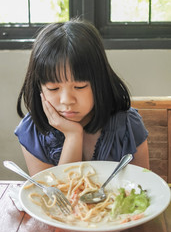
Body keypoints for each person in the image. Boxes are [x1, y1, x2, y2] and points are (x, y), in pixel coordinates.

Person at [15, 18, 149, 176]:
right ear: (39, 87)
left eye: (79, 87)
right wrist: (73, 136)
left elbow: (142, 191)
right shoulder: (33, 131)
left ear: (100, 82)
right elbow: (54, 197)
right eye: (53, 88)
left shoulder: (128, 125)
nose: (66, 100)